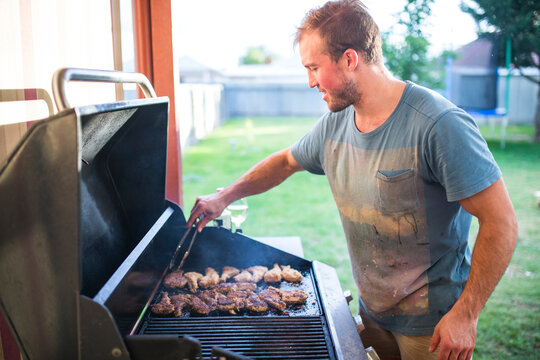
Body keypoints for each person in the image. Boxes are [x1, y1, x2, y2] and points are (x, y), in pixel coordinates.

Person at [186, 1, 518, 359]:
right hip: (372, 313)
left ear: (349, 59)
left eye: (314, 67)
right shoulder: (336, 124)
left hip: (433, 326)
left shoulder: (438, 124)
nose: (310, 81)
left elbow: (502, 223)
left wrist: (466, 315)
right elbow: (285, 161)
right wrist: (226, 196)